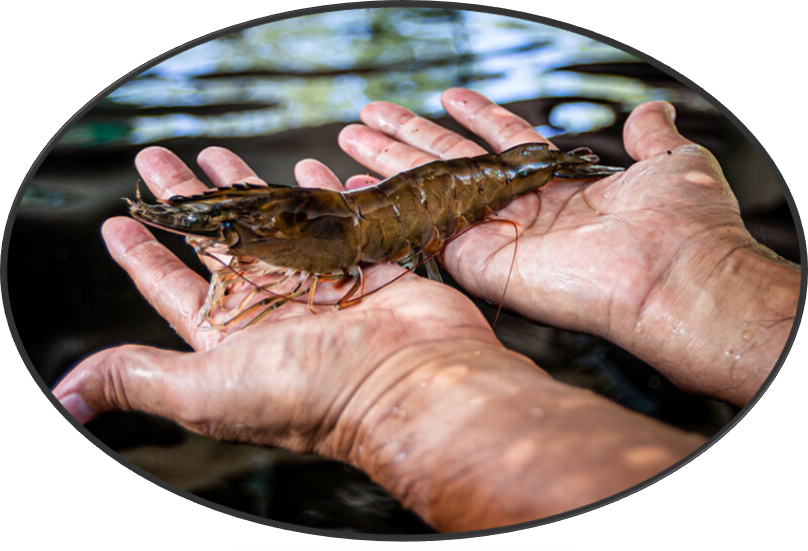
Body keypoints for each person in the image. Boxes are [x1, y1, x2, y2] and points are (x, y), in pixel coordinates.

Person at [52, 88, 800, 532]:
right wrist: (712, 284)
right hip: (397, 207)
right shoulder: (301, 227)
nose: (228, 241)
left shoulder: (327, 240)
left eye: (229, 230)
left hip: (455, 192)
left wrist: (381, 399)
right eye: (229, 228)